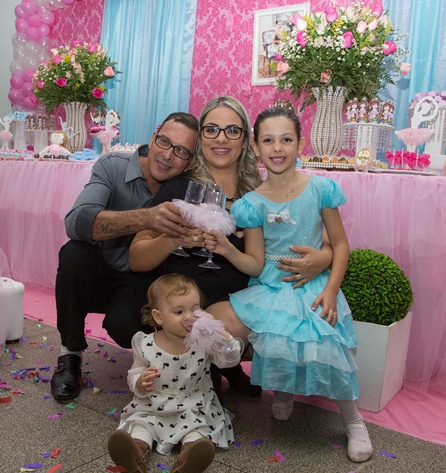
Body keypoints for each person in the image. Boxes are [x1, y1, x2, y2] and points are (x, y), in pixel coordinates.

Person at [129, 96, 333, 395]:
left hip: (243, 301)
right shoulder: (179, 188)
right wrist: (174, 238)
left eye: (232, 131)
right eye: (211, 129)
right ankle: (211, 372)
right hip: (186, 300)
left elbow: (322, 240)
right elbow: (137, 259)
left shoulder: (261, 191)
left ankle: (222, 366)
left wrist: (324, 258)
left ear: (247, 140)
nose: (221, 138)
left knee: (257, 323)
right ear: (201, 138)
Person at [204, 106, 373, 463]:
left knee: (323, 342)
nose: (277, 148)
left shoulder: (321, 189)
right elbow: (255, 261)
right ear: (256, 146)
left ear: (300, 143)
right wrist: (227, 250)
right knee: (278, 342)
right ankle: (284, 393)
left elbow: (340, 244)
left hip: (312, 287)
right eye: (268, 140)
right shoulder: (252, 204)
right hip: (270, 288)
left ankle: (354, 422)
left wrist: (331, 290)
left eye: (286, 140)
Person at [51, 112, 199, 403]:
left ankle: (152, 354)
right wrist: (146, 218)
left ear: (190, 161)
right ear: (153, 137)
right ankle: (69, 355)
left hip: (141, 281)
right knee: (74, 254)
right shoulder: (114, 166)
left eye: (181, 151)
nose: (168, 155)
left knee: (125, 325)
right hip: (97, 273)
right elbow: (76, 222)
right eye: (164, 142)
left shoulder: (186, 188)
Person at [107, 274, 241, 473]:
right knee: (142, 426)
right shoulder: (145, 343)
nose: (189, 317)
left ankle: (188, 463)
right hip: (153, 405)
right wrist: (140, 382)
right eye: (179, 312)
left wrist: (224, 339)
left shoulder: (203, 342)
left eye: (195, 309)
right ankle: (134, 457)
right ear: (158, 317)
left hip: (193, 405)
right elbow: (134, 372)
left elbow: (228, 361)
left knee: (196, 431)